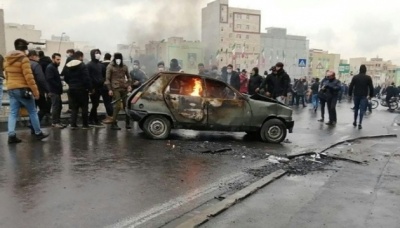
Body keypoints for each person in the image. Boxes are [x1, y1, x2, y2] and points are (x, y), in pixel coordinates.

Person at [3, 38, 49, 143]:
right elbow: (29, 77)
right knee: (32, 111)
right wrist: (36, 92)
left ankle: (11, 135)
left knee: (13, 112)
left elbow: (7, 74)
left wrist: (10, 86)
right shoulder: (24, 59)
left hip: (11, 88)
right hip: (22, 89)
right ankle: (38, 133)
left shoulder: (7, 59)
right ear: (25, 49)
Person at [64, 51, 92, 129]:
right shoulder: (82, 65)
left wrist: (71, 84)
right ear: (80, 57)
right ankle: (85, 125)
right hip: (82, 90)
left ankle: (73, 124)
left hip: (72, 89)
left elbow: (66, 77)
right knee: (84, 107)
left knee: (74, 108)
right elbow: (86, 78)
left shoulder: (68, 65)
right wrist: (90, 88)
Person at [105, 53, 132, 130]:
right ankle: (114, 123)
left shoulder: (124, 66)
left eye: (119, 58)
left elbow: (129, 77)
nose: (118, 60)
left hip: (124, 87)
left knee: (127, 105)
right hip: (115, 88)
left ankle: (128, 123)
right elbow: (107, 79)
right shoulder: (110, 66)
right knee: (117, 106)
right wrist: (109, 89)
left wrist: (129, 85)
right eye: (117, 58)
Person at [27, 50, 50, 131]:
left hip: (27, 91)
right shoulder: (36, 65)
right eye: (37, 56)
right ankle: (33, 124)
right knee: (44, 108)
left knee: (32, 109)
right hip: (37, 90)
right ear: (33, 56)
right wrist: (48, 90)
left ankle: (33, 128)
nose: (38, 58)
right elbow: (41, 79)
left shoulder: (25, 64)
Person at [348, 65, 374, 129]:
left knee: (356, 108)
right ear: (365, 70)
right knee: (362, 110)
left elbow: (351, 86)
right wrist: (371, 95)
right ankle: (360, 123)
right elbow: (371, 87)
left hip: (356, 95)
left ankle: (354, 121)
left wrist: (350, 94)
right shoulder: (368, 78)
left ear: (359, 69)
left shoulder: (355, 77)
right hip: (364, 96)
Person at [45, 53, 65, 128]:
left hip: (56, 90)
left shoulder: (54, 67)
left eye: (59, 59)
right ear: (53, 59)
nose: (59, 61)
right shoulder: (50, 67)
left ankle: (58, 121)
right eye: (57, 59)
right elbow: (50, 79)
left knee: (59, 106)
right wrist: (58, 84)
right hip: (53, 90)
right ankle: (55, 122)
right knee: (56, 106)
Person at [86, 49, 104, 127]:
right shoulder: (89, 65)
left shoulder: (100, 65)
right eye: (96, 53)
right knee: (95, 104)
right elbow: (88, 77)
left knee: (96, 104)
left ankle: (93, 119)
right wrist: (91, 87)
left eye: (99, 53)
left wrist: (102, 80)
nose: (98, 54)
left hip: (100, 86)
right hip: (93, 87)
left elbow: (102, 75)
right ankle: (92, 119)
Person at [61, 49, 75, 114]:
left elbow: (65, 67)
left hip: (70, 80)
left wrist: (61, 74)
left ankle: (71, 108)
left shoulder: (69, 59)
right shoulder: (75, 59)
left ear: (71, 53)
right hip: (75, 81)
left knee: (71, 95)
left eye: (68, 52)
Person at [101, 53, 114, 124]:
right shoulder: (113, 65)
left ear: (104, 57)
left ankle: (110, 117)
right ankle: (110, 116)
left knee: (107, 102)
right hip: (112, 86)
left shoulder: (101, 65)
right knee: (110, 101)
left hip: (104, 86)